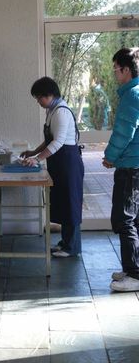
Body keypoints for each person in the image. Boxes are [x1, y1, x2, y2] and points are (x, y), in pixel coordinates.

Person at [21, 76, 84, 257]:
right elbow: (48, 140)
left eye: (39, 97)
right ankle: (65, 243)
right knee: (64, 203)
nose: (38, 101)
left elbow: (58, 143)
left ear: (49, 94)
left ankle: (71, 248)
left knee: (71, 204)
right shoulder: (52, 111)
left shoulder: (61, 112)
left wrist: (38, 159)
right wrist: (33, 152)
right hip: (59, 164)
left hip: (69, 163)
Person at [103, 47, 139, 292]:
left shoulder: (132, 96)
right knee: (134, 219)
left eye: (116, 69)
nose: (115, 74)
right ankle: (131, 269)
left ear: (126, 70)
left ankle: (134, 275)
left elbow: (125, 132)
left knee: (124, 219)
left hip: (130, 167)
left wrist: (109, 156)